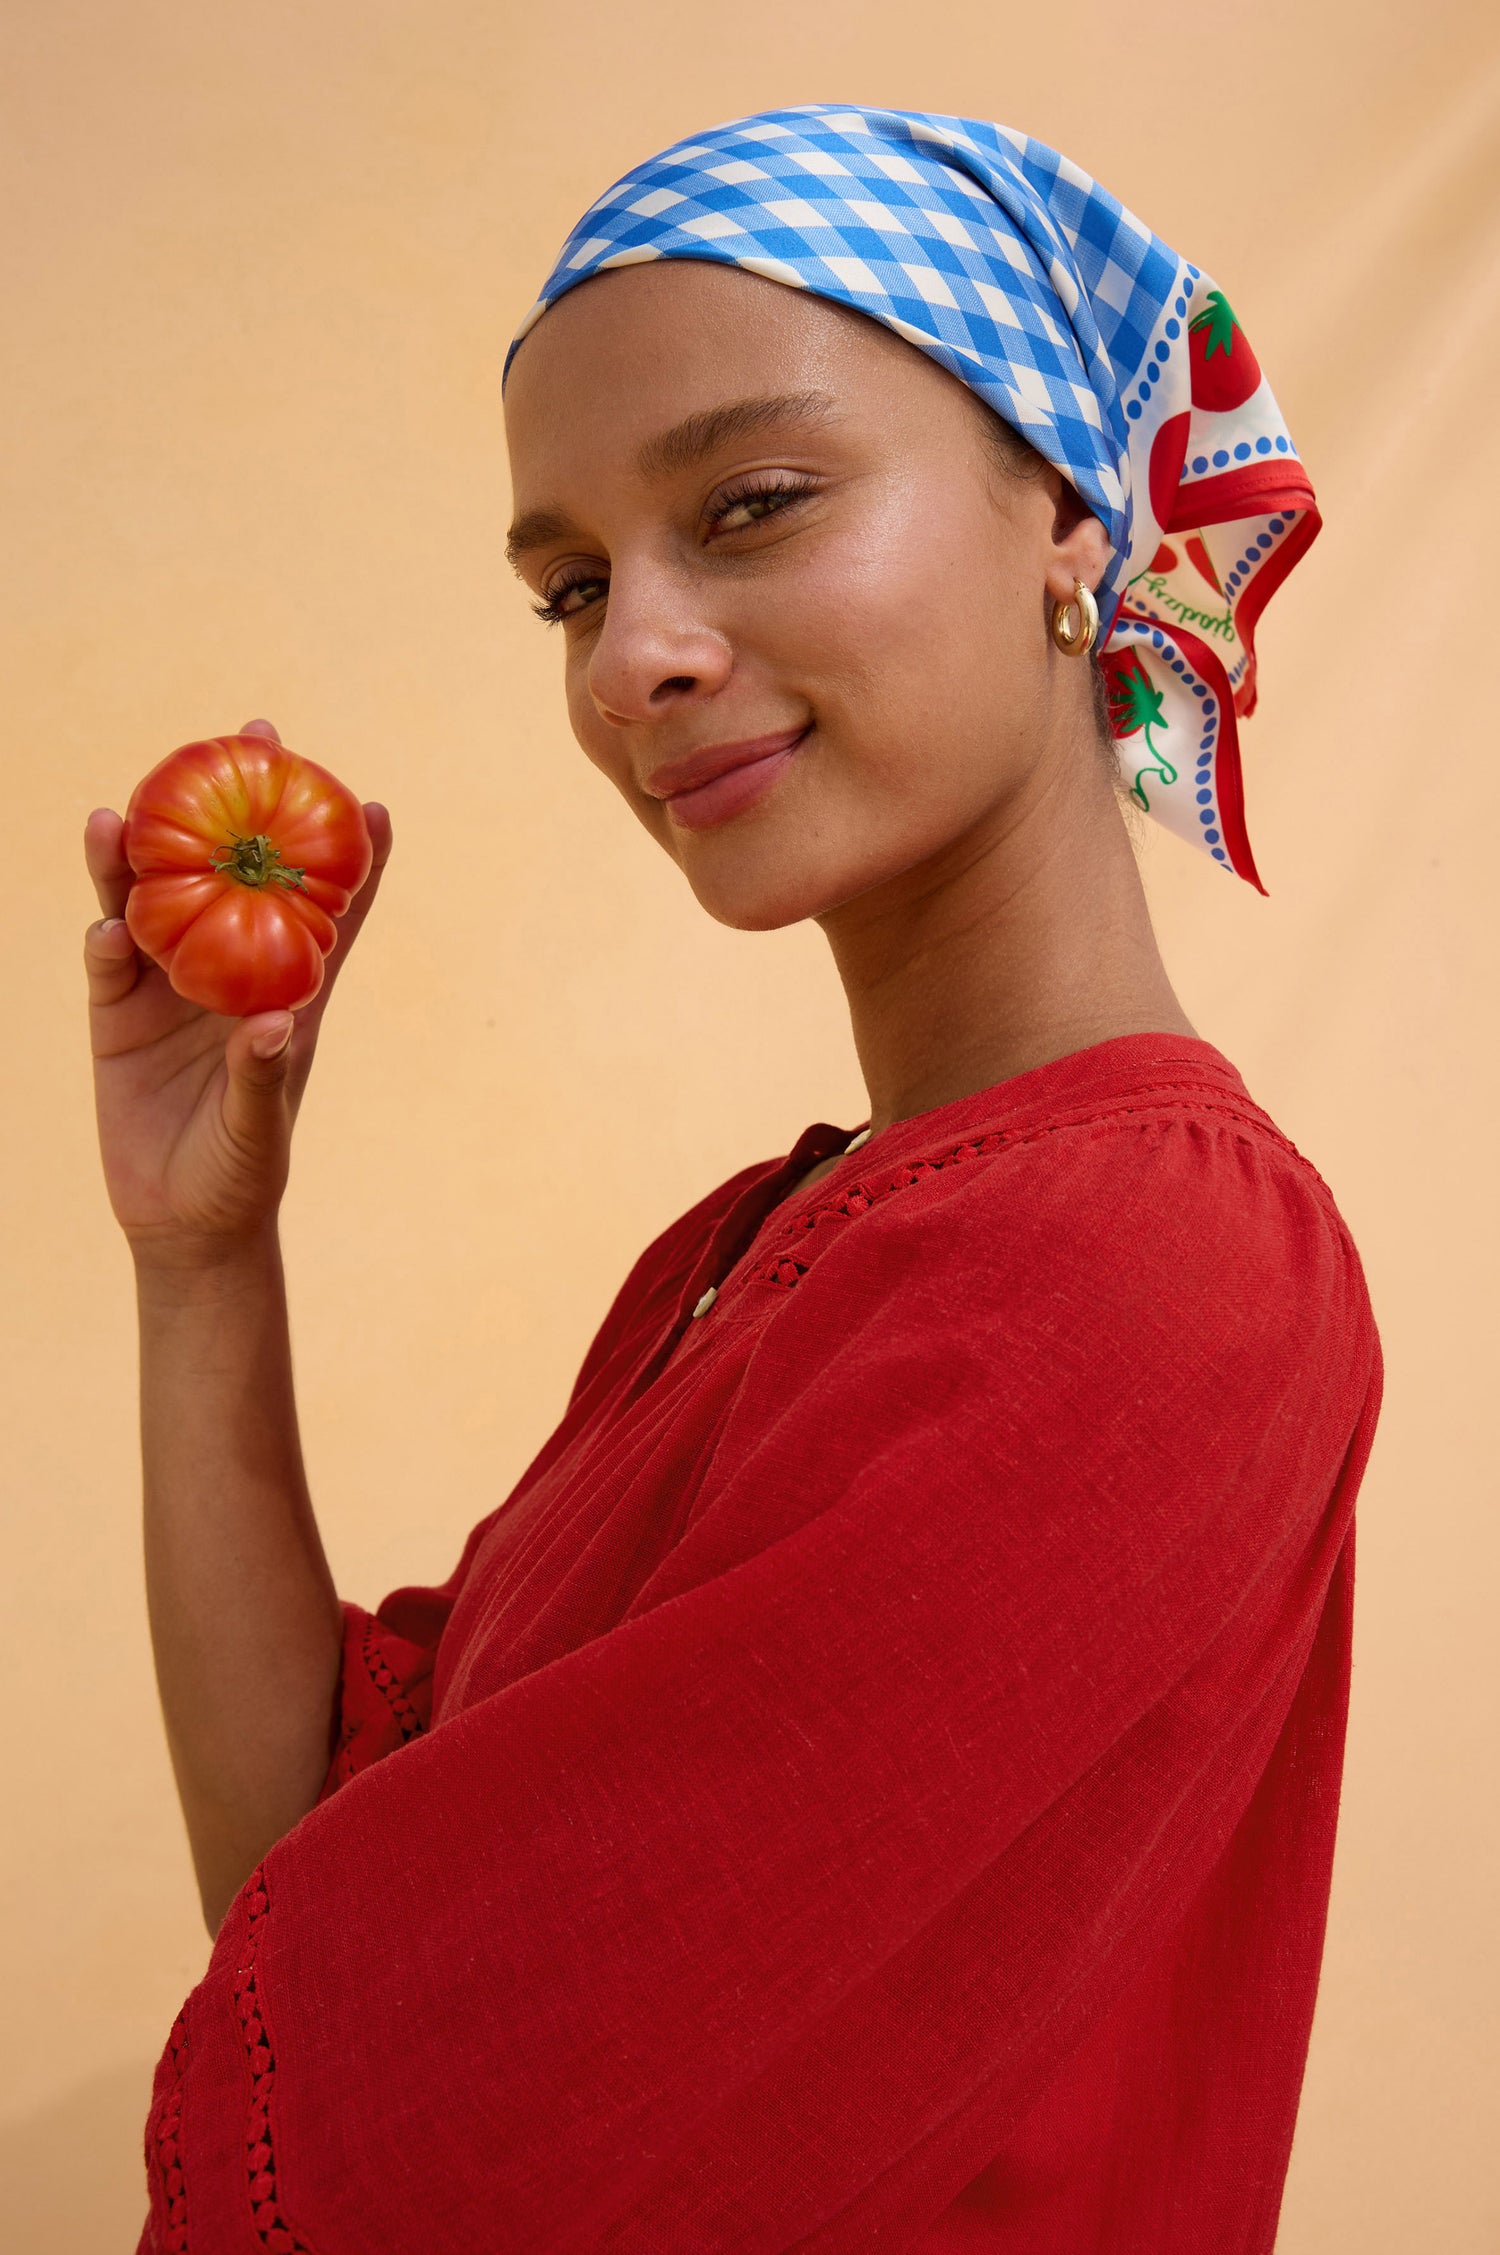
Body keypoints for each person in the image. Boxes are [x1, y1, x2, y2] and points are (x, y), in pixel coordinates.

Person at [85, 103, 1380, 2254]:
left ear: (1067, 511)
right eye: (572, 587)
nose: (628, 663)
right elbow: (327, 1891)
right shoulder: (775, 1245)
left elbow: (439, 2132)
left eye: (754, 505)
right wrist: (201, 1264)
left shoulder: (1136, 1260)